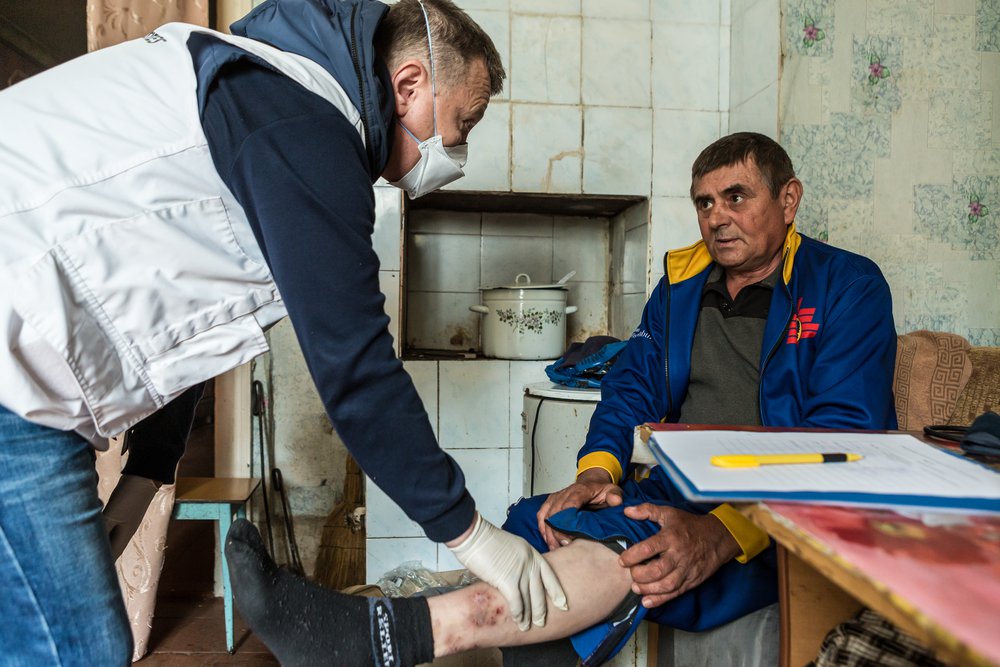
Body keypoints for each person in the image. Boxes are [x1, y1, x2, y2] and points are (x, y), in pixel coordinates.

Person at [0, 0, 565, 664]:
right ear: (409, 85)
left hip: (26, 352)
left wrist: (149, 469)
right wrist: (470, 534)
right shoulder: (301, 123)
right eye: (462, 123)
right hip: (17, 359)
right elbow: (356, 370)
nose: (458, 151)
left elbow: (181, 304)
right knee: (82, 648)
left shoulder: (273, 95)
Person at [222, 131, 898, 666]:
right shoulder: (684, 284)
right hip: (680, 483)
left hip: (776, 516)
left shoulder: (845, 285)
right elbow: (632, 382)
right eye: (704, 202)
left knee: (637, 547)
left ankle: (377, 637)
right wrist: (597, 471)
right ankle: (405, 630)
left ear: (788, 199)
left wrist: (724, 531)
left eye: (737, 196)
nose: (717, 218)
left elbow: (841, 442)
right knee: (538, 519)